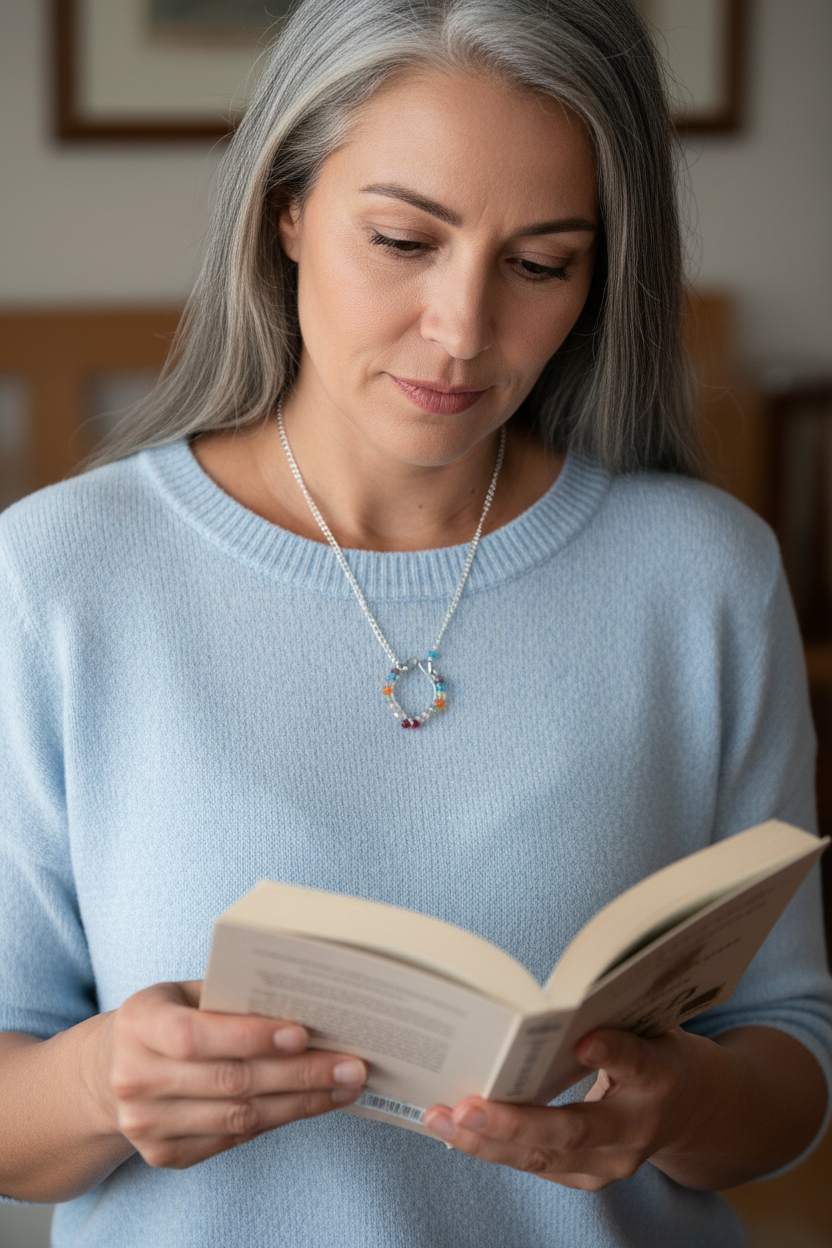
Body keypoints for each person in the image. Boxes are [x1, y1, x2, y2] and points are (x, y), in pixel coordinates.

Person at [0, 0, 830, 1244]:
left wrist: (679, 1105)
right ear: (285, 208)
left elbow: (791, 1063)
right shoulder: (57, 577)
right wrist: (93, 1084)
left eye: (540, 264)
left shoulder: (704, 577)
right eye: (401, 240)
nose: (460, 332)